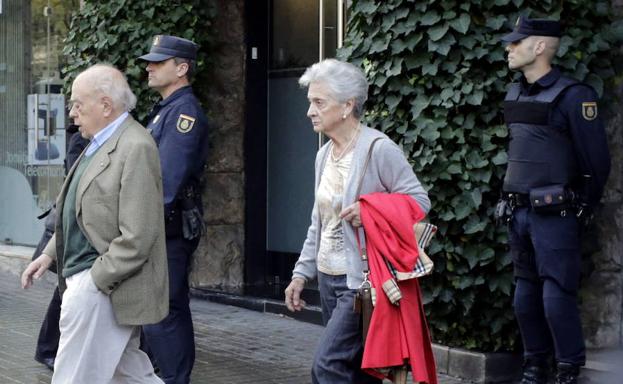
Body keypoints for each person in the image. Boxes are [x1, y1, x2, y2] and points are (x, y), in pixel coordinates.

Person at [283, 59, 431, 383]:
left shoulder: (378, 149)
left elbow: (419, 202)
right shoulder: (324, 154)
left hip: (361, 282)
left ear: (348, 105)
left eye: (319, 102)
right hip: (326, 278)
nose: (310, 111)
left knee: (327, 366)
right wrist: (300, 274)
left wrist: (370, 210)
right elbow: (318, 221)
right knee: (360, 369)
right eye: (310, 102)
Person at [21, 64, 169, 383]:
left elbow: (138, 236)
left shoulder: (135, 146)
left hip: (102, 286)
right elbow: (77, 209)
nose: (72, 113)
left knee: (73, 376)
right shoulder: (100, 140)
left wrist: (95, 281)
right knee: (131, 375)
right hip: (94, 283)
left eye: (78, 103)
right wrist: (49, 254)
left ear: (105, 105)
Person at [499, 16, 610, 384]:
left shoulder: (574, 95)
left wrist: (581, 207)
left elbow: (596, 161)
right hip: (519, 214)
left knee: (556, 296)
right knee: (523, 297)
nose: (509, 48)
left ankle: (567, 369)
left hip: (555, 214)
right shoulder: (514, 94)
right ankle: (535, 366)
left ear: (541, 47)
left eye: (517, 42)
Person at [138, 34, 210, 384]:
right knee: (163, 309)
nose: (149, 67)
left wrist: (138, 227)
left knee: (163, 312)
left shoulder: (184, 112)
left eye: (158, 62)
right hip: (161, 228)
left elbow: (166, 181)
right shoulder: (167, 109)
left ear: (181, 68)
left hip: (166, 229)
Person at [32, 125, 89, 371]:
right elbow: (78, 187)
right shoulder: (81, 140)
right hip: (76, 227)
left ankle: (49, 349)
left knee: (67, 290)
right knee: (65, 290)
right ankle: (47, 349)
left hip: (83, 228)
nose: (75, 112)